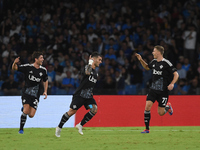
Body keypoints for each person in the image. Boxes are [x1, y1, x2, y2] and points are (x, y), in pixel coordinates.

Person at [55, 52, 102, 137]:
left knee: (93, 109)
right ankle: (59, 127)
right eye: (99, 60)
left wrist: (91, 91)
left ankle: (80, 125)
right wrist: (90, 62)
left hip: (88, 98)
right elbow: (87, 72)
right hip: (79, 96)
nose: (100, 61)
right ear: (94, 59)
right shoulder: (87, 68)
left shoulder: (96, 73)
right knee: (72, 112)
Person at [135, 45, 179, 133]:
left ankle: (168, 107)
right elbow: (147, 67)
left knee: (161, 113)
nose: (152, 52)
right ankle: (147, 129)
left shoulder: (167, 63)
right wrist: (141, 60)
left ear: (159, 52)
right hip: (153, 90)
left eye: (154, 51)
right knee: (147, 107)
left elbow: (176, 74)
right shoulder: (154, 62)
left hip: (163, 91)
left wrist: (172, 84)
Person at [12, 52, 48, 134]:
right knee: (26, 110)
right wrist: (14, 63)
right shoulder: (28, 67)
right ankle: (21, 129)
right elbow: (15, 68)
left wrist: (45, 91)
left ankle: (25, 109)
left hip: (36, 95)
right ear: (36, 59)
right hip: (26, 93)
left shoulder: (43, 70)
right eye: (41, 58)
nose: (43, 59)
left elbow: (45, 80)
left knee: (31, 115)